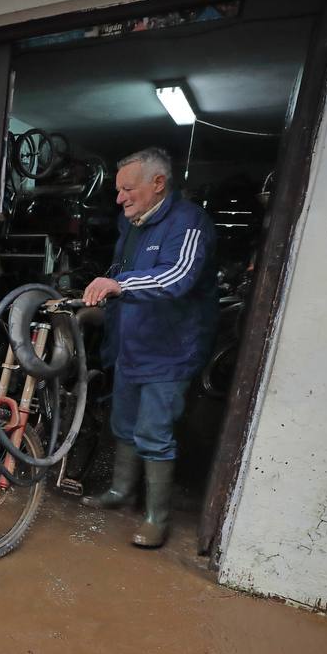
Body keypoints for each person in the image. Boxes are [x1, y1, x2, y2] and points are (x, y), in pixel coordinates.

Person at [80, 147, 217, 548]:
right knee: (123, 424)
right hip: (131, 345)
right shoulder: (134, 226)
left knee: (154, 432)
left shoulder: (188, 223)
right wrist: (99, 298)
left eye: (127, 189)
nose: (119, 198)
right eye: (118, 190)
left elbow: (178, 276)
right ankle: (122, 491)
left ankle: (157, 517)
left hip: (170, 350)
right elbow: (121, 273)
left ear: (158, 184)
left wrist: (119, 287)